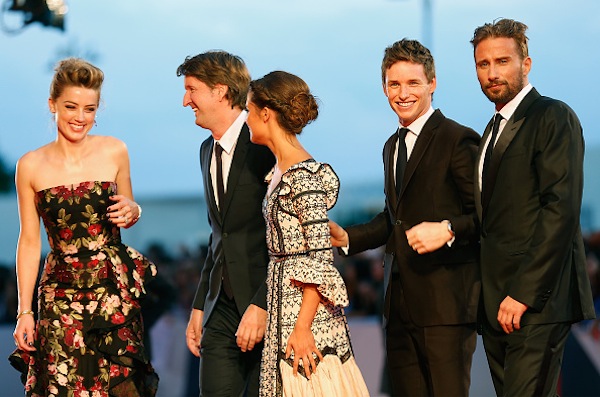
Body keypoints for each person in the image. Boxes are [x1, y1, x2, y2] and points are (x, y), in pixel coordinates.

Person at [329, 39, 480, 396]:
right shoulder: (391, 146)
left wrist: (446, 229)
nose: (403, 93)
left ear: (432, 83)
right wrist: (348, 238)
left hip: (446, 308)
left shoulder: (458, 140)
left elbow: (486, 215)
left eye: (413, 83)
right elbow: (393, 219)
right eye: (394, 84)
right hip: (398, 305)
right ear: (384, 87)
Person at [9, 58, 159, 396]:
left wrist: (134, 209)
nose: (80, 117)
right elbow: (30, 241)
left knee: (120, 387)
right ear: (53, 105)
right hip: (60, 297)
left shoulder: (115, 150)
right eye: (71, 107)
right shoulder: (30, 165)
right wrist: (24, 311)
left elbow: (129, 210)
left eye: (89, 109)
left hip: (112, 293)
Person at [470, 18, 596, 396]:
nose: (492, 73)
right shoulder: (491, 130)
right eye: (483, 64)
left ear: (526, 64)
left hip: (536, 303)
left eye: (502, 61)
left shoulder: (553, 116)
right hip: (496, 304)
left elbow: (560, 209)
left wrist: (524, 293)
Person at [246, 70, 369, 396]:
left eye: (248, 110)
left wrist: (302, 328)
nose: (246, 118)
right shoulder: (279, 172)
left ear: (266, 113)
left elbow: (320, 258)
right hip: (283, 306)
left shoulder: (302, 176)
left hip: (305, 319)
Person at [176, 51, 275, 396]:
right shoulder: (206, 151)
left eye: (192, 90)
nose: (186, 100)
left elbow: (287, 238)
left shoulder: (265, 143)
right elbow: (219, 237)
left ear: (220, 91)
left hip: (269, 306)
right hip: (222, 308)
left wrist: (263, 304)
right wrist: (200, 304)